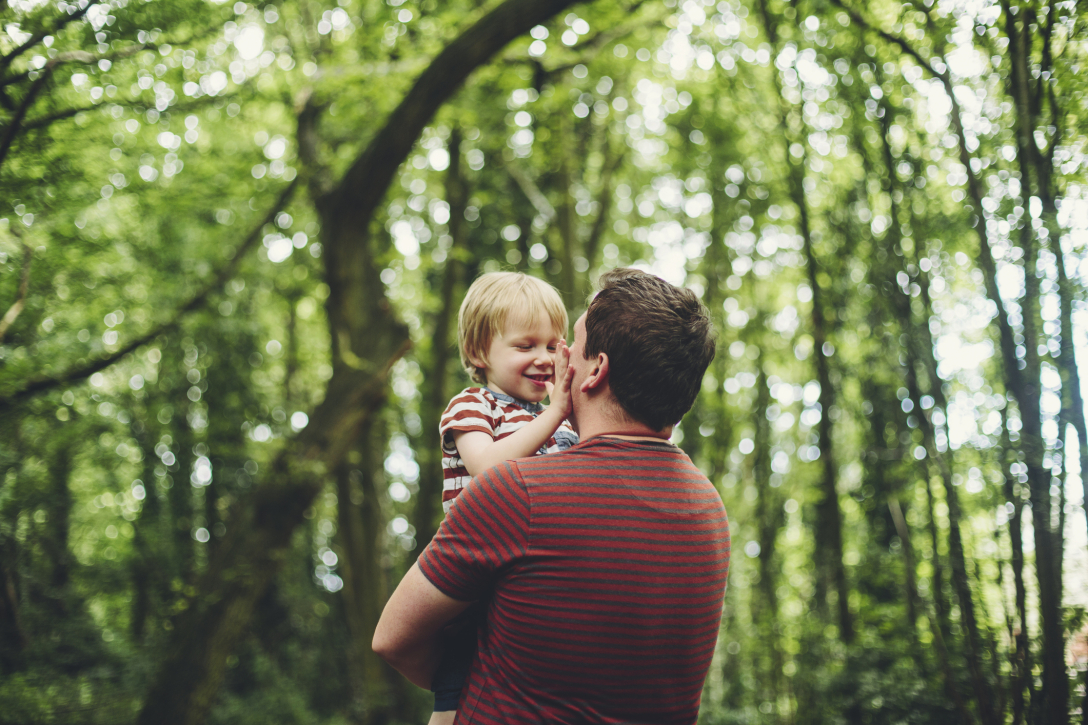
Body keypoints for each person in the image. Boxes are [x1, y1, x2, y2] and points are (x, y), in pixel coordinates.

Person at [374, 268, 730, 724]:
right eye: (528, 345)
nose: (552, 359)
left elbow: (392, 640)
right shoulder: (707, 508)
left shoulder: (522, 492)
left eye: (567, 345)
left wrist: (466, 684)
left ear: (596, 369)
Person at [429, 271, 578, 724]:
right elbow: (489, 469)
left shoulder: (562, 420)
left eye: (554, 345)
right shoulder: (473, 405)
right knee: (453, 696)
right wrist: (555, 414)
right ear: (479, 352)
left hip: (535, 572)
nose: (544, 358)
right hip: (478, 571)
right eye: (524, 345)